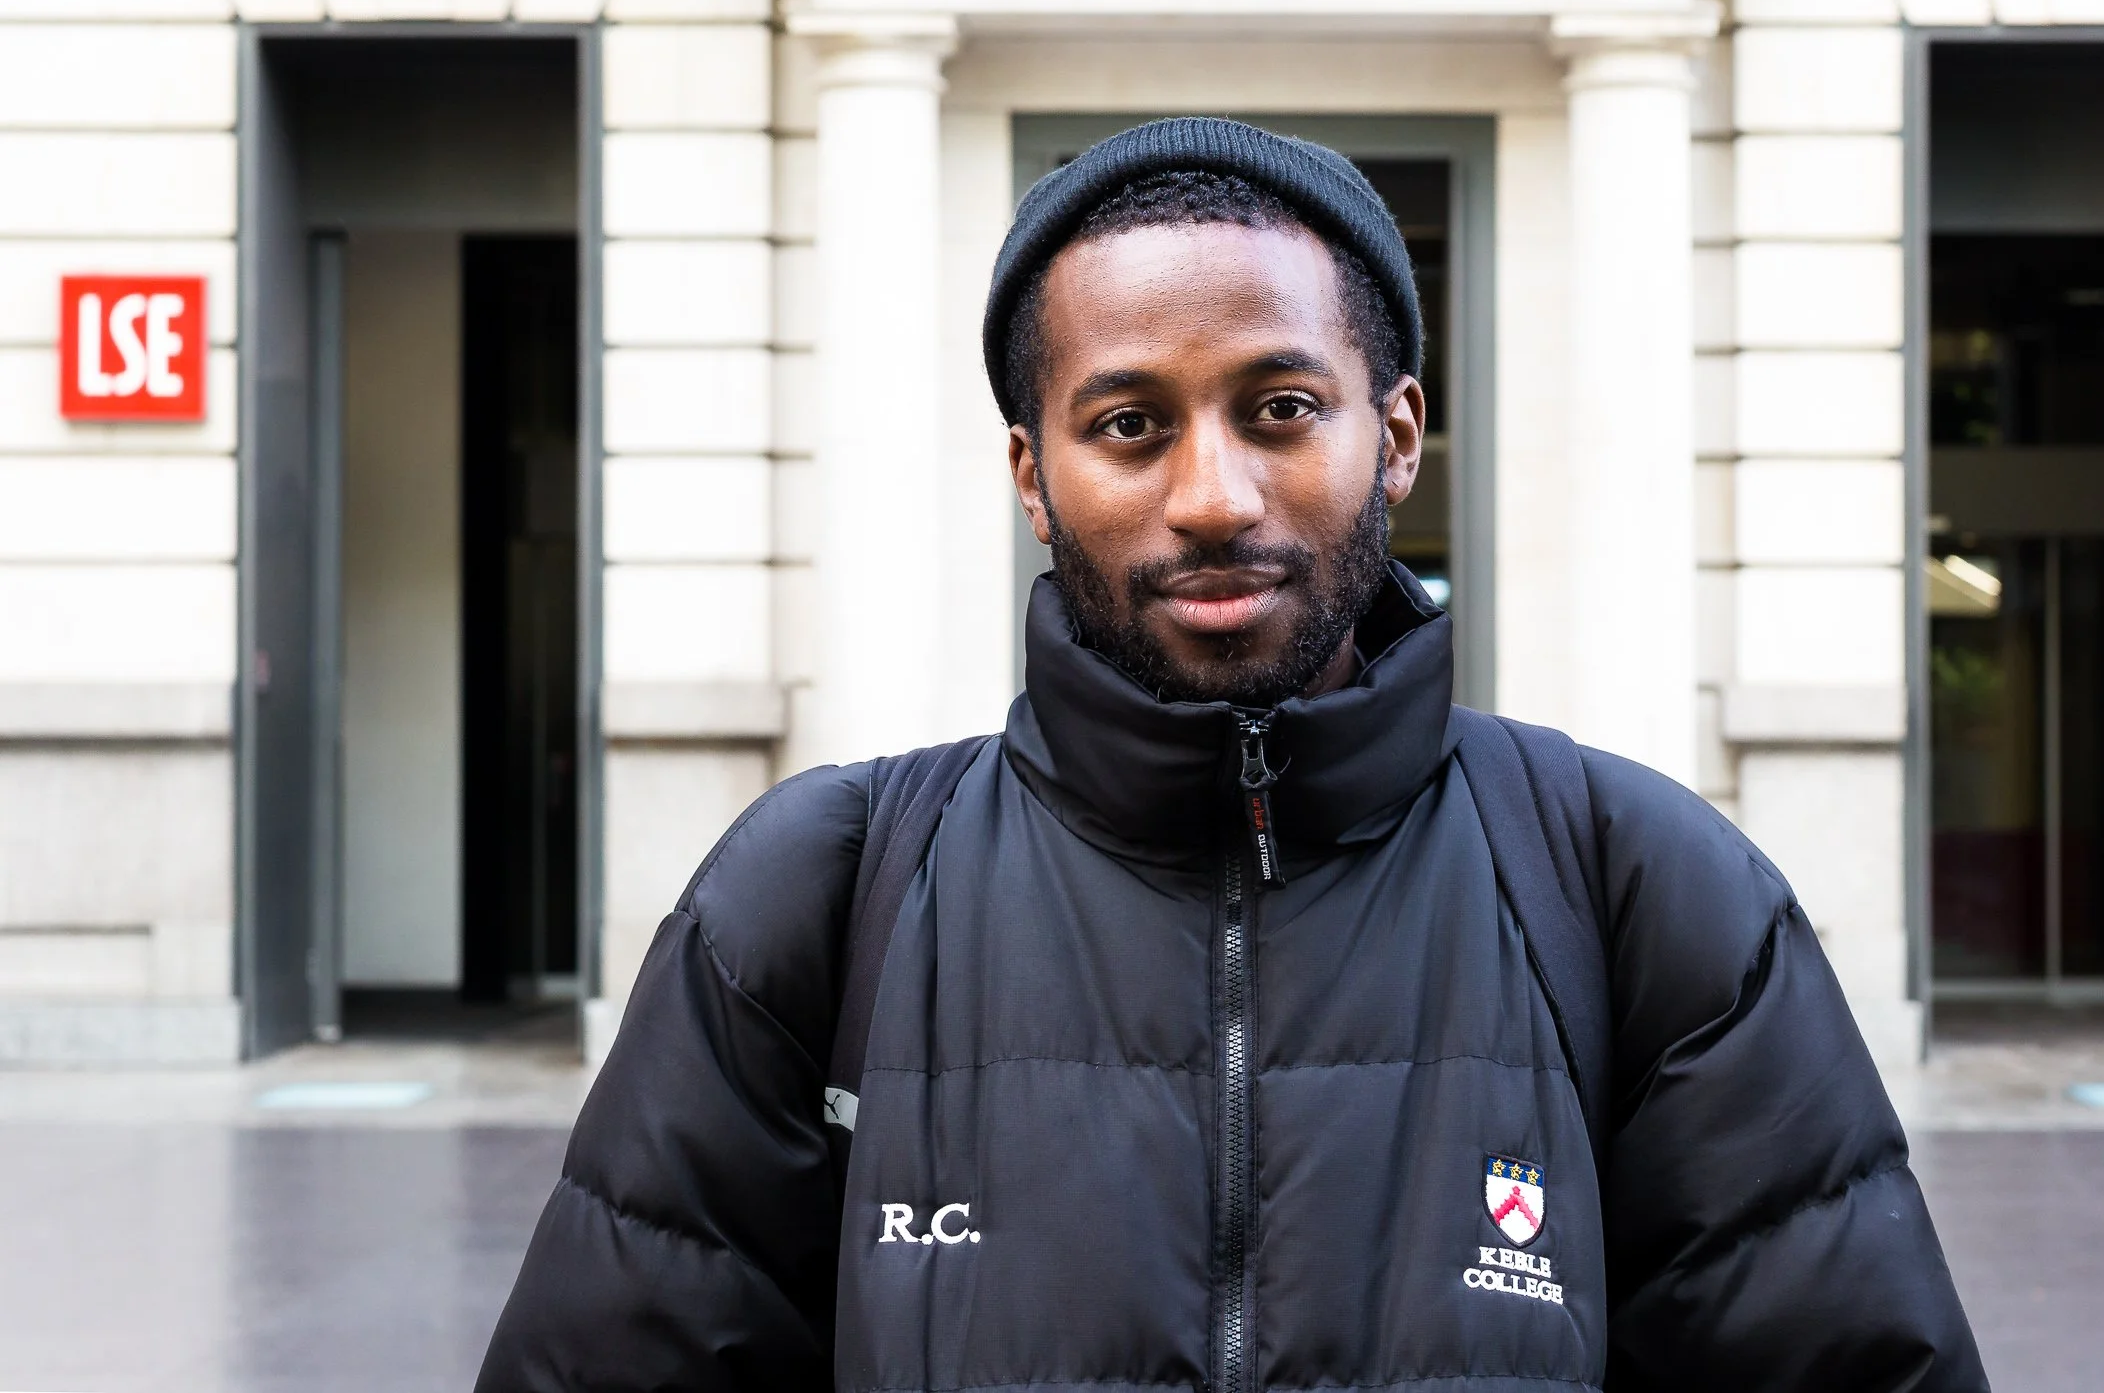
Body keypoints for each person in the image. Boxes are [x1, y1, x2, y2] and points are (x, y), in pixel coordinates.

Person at [477, 118, 1987, 1393]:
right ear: (1033, 475)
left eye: (1280, 409)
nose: (1211, 494)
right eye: (1130, 425)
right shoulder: (816, 897)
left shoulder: (1643, 888)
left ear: (1396, 435)